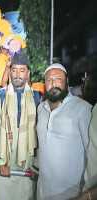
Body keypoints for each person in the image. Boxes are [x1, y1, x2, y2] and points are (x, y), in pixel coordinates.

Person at [36, 63, 92, 200]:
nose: (53, 83)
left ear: (66, 82)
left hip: (72, 194)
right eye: (49, 80)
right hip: (42, 192)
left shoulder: (82, 109)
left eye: (58, 79)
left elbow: (92, 153)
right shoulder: (41, 109)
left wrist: (88, 193)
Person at [0, 52, 40, 200]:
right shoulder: (0, 95)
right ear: (10, 72)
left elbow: (39, 133)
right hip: (5, 161)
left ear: (28, 73)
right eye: (14, 70)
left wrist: (36, 164)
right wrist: (0, 161)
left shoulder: (37, 97)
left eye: (22, 70)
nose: (17, 74)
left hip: (27, 162)